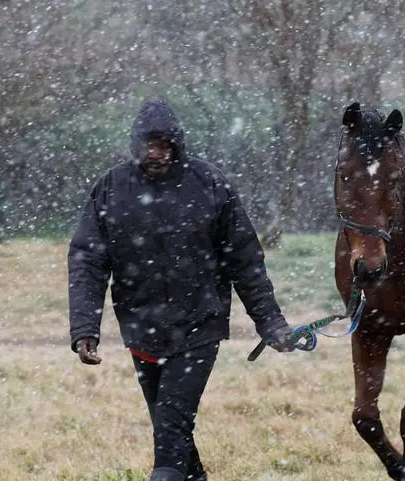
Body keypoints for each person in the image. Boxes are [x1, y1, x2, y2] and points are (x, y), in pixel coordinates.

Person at [68, 99, 294, 481]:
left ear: (177, 145)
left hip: (198, 328)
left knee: (170, 431)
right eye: (148, 144)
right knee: (170, 429)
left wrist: (271, 323)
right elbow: (88, 261)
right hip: (140, 329)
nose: (155, 153)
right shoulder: (111, 188)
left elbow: (246, 262)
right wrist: (84, 329)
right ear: (135, 145)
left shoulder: (210, 185)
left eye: (164, 145)